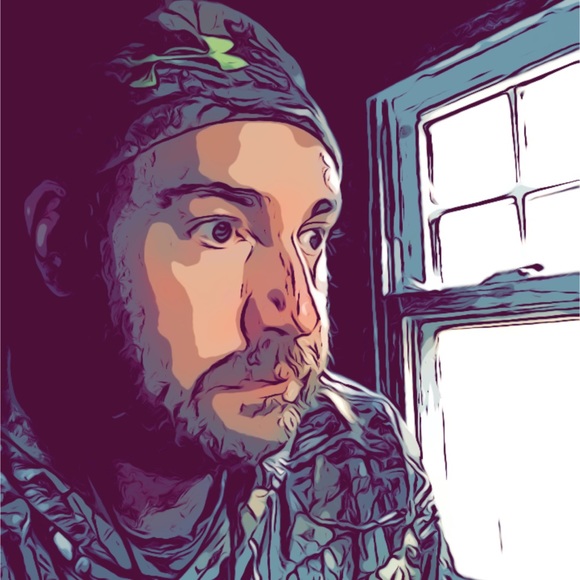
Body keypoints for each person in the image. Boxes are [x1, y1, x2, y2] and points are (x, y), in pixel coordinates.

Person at [1, 1, 467, 578]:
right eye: (220, 231)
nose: (299, 314)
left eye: (312, 236)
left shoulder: (361, 450)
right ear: (62, 246)